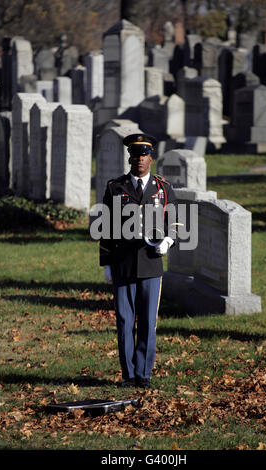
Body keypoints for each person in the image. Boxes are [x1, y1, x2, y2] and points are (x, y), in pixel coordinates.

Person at [99, 133, 178, 389]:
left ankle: (143, 374)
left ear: (151, 157)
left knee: (147, 322)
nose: (139, 160)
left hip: (151, 264)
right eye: (135, 155)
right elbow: (105, 229)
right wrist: (107, 263)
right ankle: (128, 374)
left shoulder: (163, 188)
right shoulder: (115, 188)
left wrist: (169, 240)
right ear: (129, 158)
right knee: (124, 320)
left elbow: (175, 222)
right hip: (122, 263)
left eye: (143, 155)